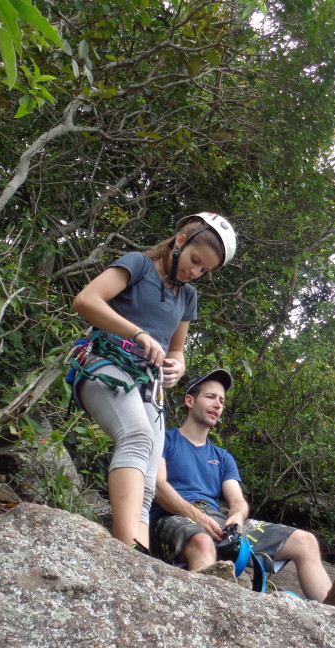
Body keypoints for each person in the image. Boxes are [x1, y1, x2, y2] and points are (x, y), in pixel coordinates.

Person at [71, 213, 237, 550]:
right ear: (179, 241)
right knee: (137, 436)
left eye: (204, 270)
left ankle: (139, 551)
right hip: (106, 360)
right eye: (194, 260)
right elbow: (86, 300)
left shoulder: (187, 296)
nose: (194, 272)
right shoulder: (138, 265)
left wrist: (177, 367)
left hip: (149, 382)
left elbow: (176, 348)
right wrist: (136, 332)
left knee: (150, 467)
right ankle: (126, 545)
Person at [151, 369, 333, 601]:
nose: (218, 404)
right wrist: (200, 518)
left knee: (305, 541)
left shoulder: (222, 456)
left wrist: (236, 518)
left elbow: (237, 501)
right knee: (203, 542)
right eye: (210, 397)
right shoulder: (165, 439)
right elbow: (158, 487)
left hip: (216, 520)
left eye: (222, 400)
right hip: (173, 518)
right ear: (190, 400)